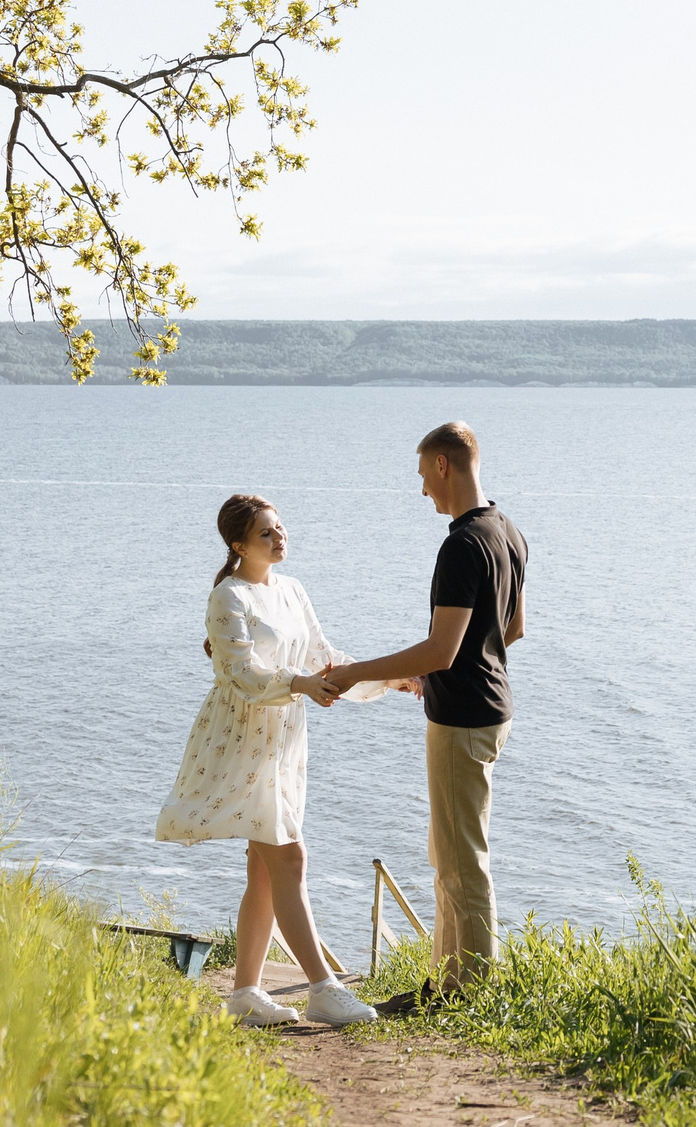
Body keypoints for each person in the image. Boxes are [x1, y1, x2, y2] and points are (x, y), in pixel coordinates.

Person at [156, 492, 415, 1028]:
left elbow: (326, 659)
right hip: (241, 735)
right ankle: (323, 987)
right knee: (289, 858)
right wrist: (300, 684)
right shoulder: (228, 597)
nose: (280, 539)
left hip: (286, 738)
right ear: (238, 544)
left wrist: (388, 678)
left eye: (281, 528)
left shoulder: (294, 591)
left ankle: (246, 993)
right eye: (267, 534)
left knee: (265, 868)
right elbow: (241, 675)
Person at [321, 421, 527, 1009]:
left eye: (422, 477)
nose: (422, 492)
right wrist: (450, 667)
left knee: (463, 862)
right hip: (489, 705)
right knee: (450, 853)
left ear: (443, 466)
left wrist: (358, 671)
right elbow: (512, 628)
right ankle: (443, 984)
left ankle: (468, 996)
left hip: (463, 718)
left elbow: (442, 649)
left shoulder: (462, 544)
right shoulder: (507, 530)